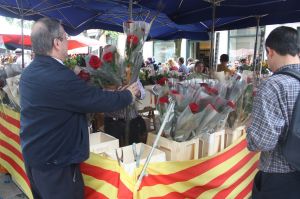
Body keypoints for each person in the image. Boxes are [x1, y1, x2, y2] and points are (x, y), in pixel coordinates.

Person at [19, 17, 139, 199]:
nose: (67, 42)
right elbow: (94, 100)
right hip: (56, 163)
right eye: (65, 37)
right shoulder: (59, 76)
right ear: (57, 43)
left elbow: (76, 97)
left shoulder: (29, 72)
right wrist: (127, 95)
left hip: (35, 157)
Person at [246, 26, 300, 199]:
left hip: (279, 177)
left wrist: (250, 128)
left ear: (270, 51)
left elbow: (262, 142)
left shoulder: (274, 85)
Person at [104, 79, 146, 146]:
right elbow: (101, 94)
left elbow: (143, 94)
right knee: (112, 148)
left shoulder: (133, 73)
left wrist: (138, 92)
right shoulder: (105, 73)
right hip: (113, 120)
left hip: (132, 120)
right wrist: (115, 92)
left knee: (133, 148)